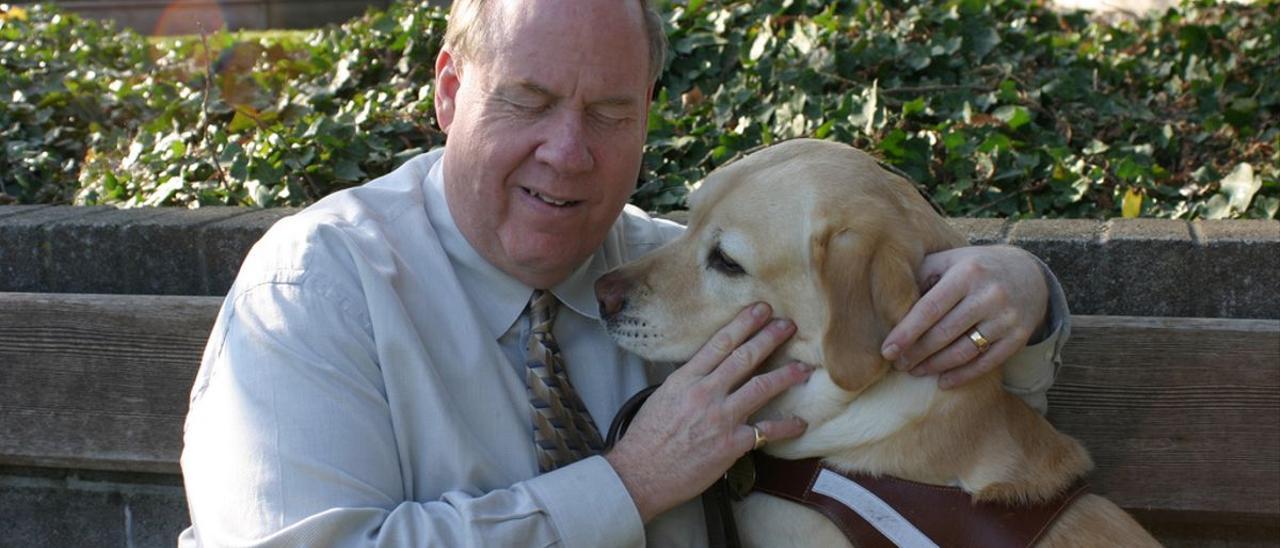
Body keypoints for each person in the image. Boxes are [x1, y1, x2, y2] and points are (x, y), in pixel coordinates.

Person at [179, 0, 1070, 545]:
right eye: (526, 101)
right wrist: (628, 485)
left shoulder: (671, 271)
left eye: (608, 112)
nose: (567, 154)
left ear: (647, 113)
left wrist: (1023, 292)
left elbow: (891, 356)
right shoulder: (311, 293)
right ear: (448, 91)